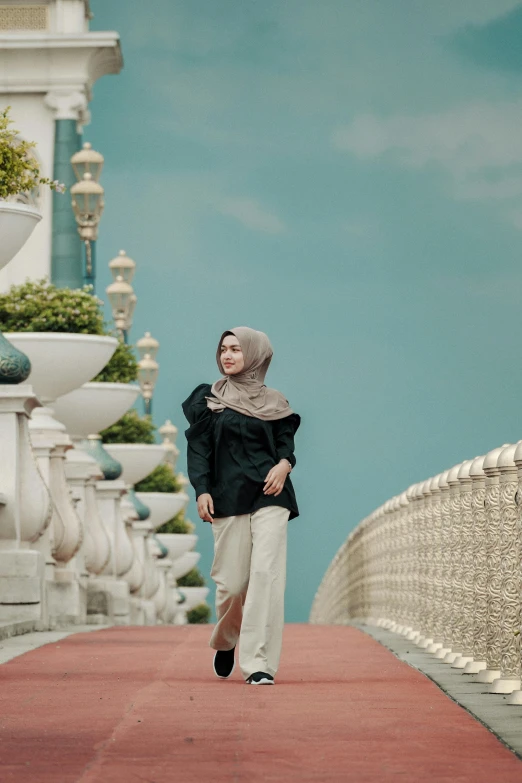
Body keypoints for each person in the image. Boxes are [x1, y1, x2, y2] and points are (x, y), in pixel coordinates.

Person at [182, 326, 300, 685]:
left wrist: (284, 465)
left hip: (271, 494)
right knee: (232, 584)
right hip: (227, 495)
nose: (227, 356)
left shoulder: (275, 402)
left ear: (256, 354)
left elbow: (285, 446)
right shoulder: (209, 401)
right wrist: (201, 489)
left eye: (236, 349)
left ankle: (259, 663)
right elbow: (200, 449)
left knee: (266, 575)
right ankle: (226, 640)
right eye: (223, 349)